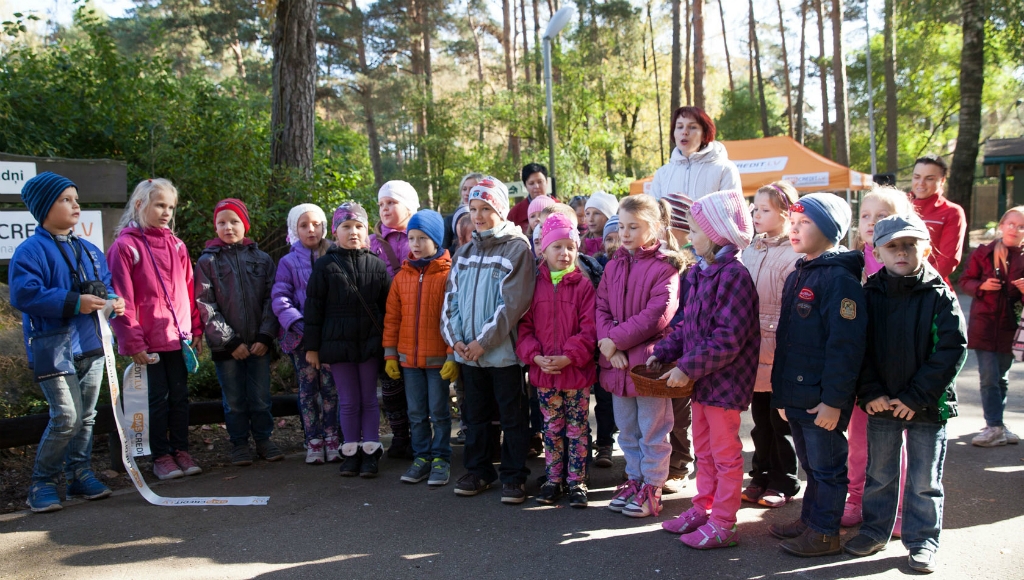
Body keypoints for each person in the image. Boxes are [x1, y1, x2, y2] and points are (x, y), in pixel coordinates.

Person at [843, 214, 968, 574]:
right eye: (893, 246)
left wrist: (916, 397)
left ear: (925, 249)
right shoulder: (868, 296)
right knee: (880, 473)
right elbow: (859, 349)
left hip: (927, 406)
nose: (902, 252)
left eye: (910, 245)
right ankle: (874, 530)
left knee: (924, 480)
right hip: (881, 404)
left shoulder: (940, 295)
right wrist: (870, 393)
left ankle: (922, 540)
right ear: (877, 252)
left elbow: (951, 350)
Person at [11, 172, 125, 512]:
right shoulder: (30, 251)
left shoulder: (89, 250)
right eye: (65, 199)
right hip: (53, 347)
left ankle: (80, 474)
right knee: (66, 416)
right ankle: (41, 483)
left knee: (87, 416)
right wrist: (75, 302)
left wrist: (113, 302)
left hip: (90, 344)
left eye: (75, 199)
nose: (75, 205)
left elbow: (104, 286)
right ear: (45, 206)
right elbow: (24, 294)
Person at [654, 189, 759, 549]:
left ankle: (725, 522)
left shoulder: (734, 276)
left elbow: (728, 338)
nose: (690, 236)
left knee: (726, 455)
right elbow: (687, 323)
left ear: (717, 233)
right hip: (701, 382)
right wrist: (665, 350)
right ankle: (704, 507)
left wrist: (687, 368)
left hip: (724, 384)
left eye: (696, 230)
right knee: (705, 450)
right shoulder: (701, 272)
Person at [769, 192, 866, 557]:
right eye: (792, 224)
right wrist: (781, 398)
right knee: (811, 464)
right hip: (797, 396)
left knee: (827, 469)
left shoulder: (839, 279)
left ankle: (825, 532)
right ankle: (810, 521)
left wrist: (833, 402)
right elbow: (789, 341)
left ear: (830, 229)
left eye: (804, 223)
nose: (794, 230)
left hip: (821, 400)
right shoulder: (800, 271)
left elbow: (846, 347)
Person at [442, 177, 537, 504]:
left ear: (500, 209)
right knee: (475, 416)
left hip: (502, 355)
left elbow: (513, 303)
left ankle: (513, 475)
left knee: (512, 417)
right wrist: (456, 341)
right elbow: (450, 300)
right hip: (468, 354)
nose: (478, 216)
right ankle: (479, 470)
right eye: (473, 209)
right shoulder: (464, 253)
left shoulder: (517, 248)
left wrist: (483, 342)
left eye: (486, 208)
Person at [108, 178, 204, 481]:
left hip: (178, 338)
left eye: (170, 206)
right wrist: (133, 342)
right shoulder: (125, 247)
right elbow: (121, 299)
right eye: (160, 204)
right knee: (155, 400)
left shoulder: (177, 245)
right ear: (140, 205)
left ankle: (181, 450)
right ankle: (160, 456)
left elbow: (190, 292)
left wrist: (195, 330)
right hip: (148, 342)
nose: (166, 212)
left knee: (179, 397)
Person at [597, 194, 684, 518]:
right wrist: (608, 343)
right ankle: (634, 479)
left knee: (653, 430)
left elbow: (657, 315)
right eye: (622, 226)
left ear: (655, 227)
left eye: (634, 226)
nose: (626, 232)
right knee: (628, 428)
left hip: (646, 365)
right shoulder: (614, 264)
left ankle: (653, 486)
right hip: (617, 364)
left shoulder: (665, 267)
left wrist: (615, 341)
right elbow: (601, 306)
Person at [844, 186, 914, 530]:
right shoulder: (851, 262)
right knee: (858, 443)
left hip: (895, 373)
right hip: (860, 372)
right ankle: (855, 498)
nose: (872, 222)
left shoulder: (909, 265)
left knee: (891, 445)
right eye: (866, 216)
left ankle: (898, 506)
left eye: (882, 216)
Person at [516, 213, 598, 508]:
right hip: (545, 374)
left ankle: (577, 481)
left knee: (577, 429)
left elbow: (590, 329)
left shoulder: (584, 286)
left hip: (576, 373)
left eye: (570, 247)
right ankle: (553, 478)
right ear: (543, 249)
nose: (564, 253)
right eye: (557, 247)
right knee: (551, 429)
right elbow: (523, 328)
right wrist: (535, 356)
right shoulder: (532, 285)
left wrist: (568, 357)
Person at [305, 202, 391, 478]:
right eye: (346, 227)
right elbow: (313, 308)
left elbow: (389, 310)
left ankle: (370, 452)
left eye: (359, 227)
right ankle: (351, 451)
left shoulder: (377, 267)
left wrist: (389, 346)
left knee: (368, 399)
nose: (353, 232)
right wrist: (312, 347)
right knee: (349, 400)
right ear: (335, 231)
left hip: (369, 344)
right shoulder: (324, 266)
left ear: (366, 231)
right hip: (337, 345)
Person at [194, 198, 282, 466]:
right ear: (215, 227)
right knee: (233, 399)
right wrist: (229, 341)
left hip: (258, 344)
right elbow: (205, 304)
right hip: (227, 348)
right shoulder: (208, 261)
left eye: (234, 222)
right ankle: (239, 443)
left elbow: (272, 298)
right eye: (222, 222)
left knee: (260, 397)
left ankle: (264, 439)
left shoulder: (262, 259)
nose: (228, 227)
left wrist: (266, 335)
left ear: (245, 224)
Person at [382, 209, 458, 487]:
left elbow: (454, 317)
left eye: (422, 238)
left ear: (436, 240)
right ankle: (422, 457)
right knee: (416, 413)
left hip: (439, 359)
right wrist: (390, 353)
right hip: (409, 361)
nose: (414, 244)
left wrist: (453, 354)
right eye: (411, 238)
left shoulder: (448, 275)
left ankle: (441, 458)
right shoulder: (402, 277)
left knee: (439, 412)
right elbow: (392, 318)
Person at [740, 182, 803, 509]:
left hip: (779, 349)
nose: (757, 215)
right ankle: (760, 474)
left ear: (785, 212)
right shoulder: (751, 249)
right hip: (754, 349)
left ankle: (785, 479)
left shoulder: (794, 252)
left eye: (764, 209)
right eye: (755, 209)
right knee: (760, 421)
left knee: (782, 422)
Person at [273, 204, 339, 464]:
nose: (311, 229)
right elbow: (280, 297)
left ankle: (332, 436)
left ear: (324, 226)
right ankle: (313, 439)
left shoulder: (335, 255)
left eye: (315, 224)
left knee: (331, 389)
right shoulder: (288, 262)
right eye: (303, 225)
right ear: (294, 229)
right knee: (308, 389)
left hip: (331, 337)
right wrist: (300, 325)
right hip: (301, 340)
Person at [959, 206, 1024, 447]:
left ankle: (998, 424)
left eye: (1020, 226)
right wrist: (982, 286)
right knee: (989, 377)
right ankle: (994, 425)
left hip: (1010, 327)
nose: (1015, 229)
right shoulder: (984, 253)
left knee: (1002, 377)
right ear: (1001, 225)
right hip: (984, 326)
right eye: (1011, 224)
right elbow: (965, 282)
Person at [369, 180, 420, 460]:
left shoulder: (422, 235)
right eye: (381, 204)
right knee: (390, 386)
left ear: (408, 206)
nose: (385, 209)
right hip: (385, 324)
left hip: (417, 323)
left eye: (391, 203)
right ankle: (400, 437)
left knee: (416, 384)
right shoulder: (372, 242)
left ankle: (420, 439)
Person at [649, 106, 741, 202]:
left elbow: (731, 211)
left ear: (704, 134)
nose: (684, 132)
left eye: (692, 127)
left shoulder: (725, 169)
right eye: (680, 127)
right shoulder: (662, 173)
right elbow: (652, 213)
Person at [909, 154, 966, 287]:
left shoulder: (952, 212)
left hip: (930, 287)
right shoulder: (898, 204)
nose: (921, 183)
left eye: (929, 178)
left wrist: (916, 284)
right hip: (893, 287)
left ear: (942, 180)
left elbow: (948, 260)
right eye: (916, 177)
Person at [507, 163, 552, 234]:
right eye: (531, 183)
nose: (536, 186)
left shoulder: (560, 208)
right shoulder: (515, 213)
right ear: (525, 186)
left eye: (540, 182)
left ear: (547, 182)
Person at [443, 172, 484, 250]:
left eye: (472, 189)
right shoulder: (449, 220)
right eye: (464, 189)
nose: (467, 193)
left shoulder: (485, 218)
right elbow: (444, 250)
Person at [582, 191, 619, 257]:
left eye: (596, 213)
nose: (590, 219)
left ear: (608, 217)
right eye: (587, 213)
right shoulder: (580, 245)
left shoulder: (617, 246)